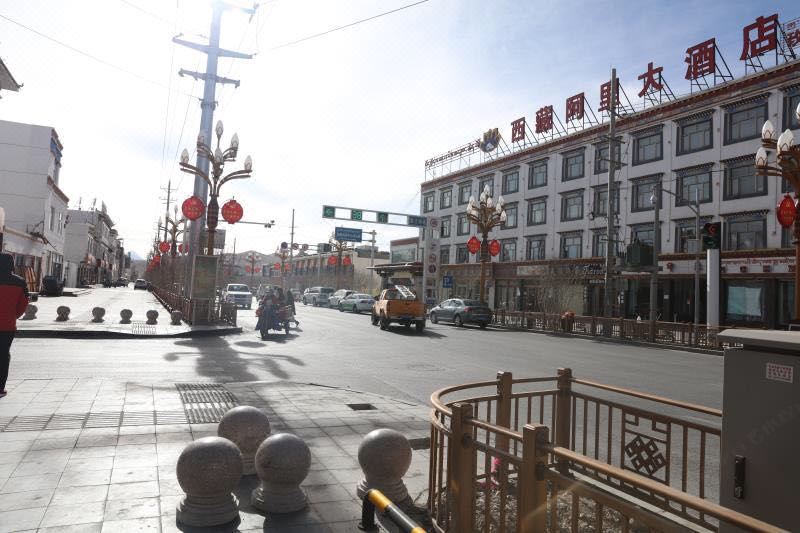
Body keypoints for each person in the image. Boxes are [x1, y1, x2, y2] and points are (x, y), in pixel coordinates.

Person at [0, 253, 29, 399]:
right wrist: (13, 316)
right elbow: (23, 304)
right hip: (7, 326)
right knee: (3, 355)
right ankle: (0, 388)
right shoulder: (20, 282)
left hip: (8, 324)